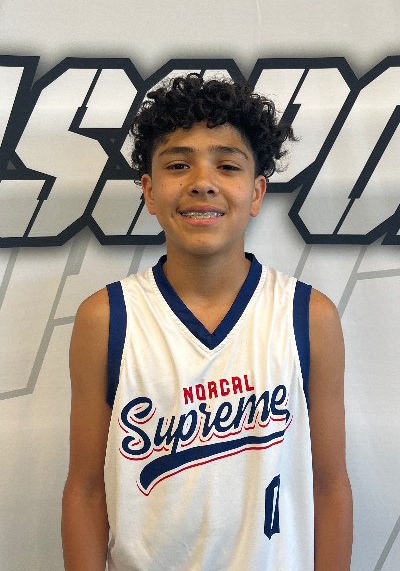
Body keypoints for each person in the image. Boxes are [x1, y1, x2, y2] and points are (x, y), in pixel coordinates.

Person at [62, 74, 353, 571]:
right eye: (179, 165)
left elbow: (329, 485)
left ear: (256, 193)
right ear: (149, 192)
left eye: (227, 165)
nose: (202, 181)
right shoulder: (106, 319)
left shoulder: (308, 316)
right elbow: (87, 491)